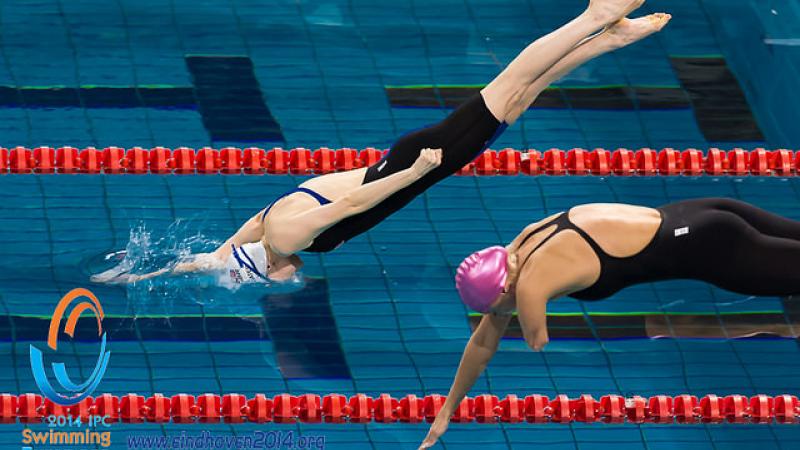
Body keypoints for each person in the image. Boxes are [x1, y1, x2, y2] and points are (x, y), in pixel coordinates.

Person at [94, 0, 670, 287]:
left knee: (508, 87)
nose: (288, 282)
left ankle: (595, 16)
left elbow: (354, 204)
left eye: (274, 282)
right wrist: (140, 277)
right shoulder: (258, 230)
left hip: (414, 165)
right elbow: (208, 260)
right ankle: (605, 41)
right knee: (516, 104)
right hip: (408, 161)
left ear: (265, 268)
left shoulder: (290, 235)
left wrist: (413, 172)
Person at [420, 198, 800, 447]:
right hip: (701, 212)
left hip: (715, 247)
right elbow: (483, 343)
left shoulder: (533, 283)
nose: (495, 315)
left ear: (504, 289)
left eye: (496, 306)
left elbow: (536, 340)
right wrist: (446, 411)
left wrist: (516, 309)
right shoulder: (520, 244)